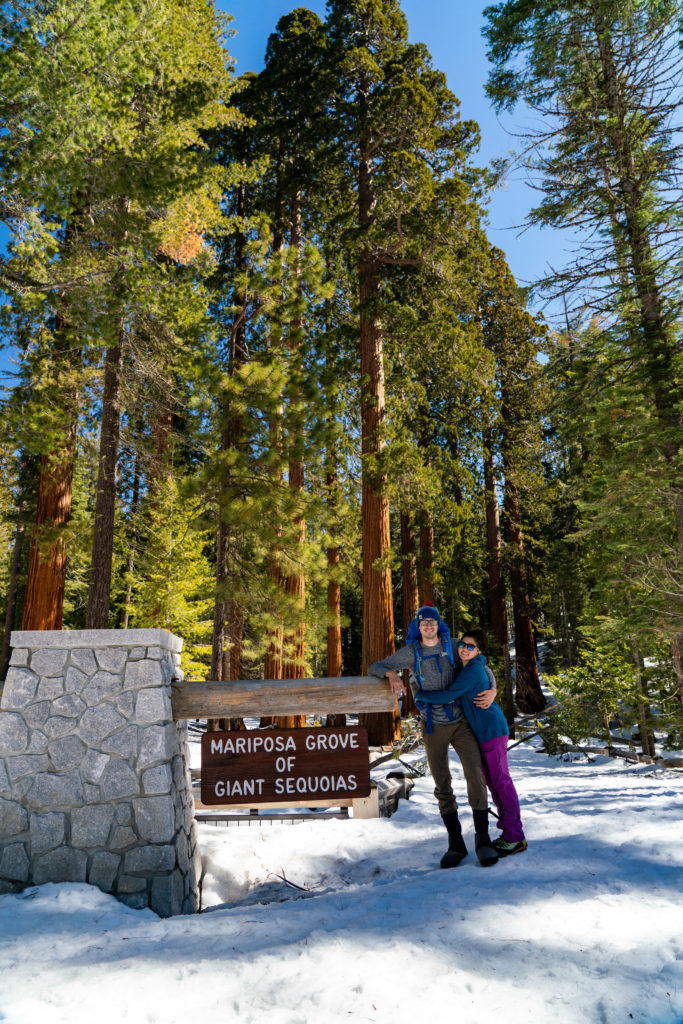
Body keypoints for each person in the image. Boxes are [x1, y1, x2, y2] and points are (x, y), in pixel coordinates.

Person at [367, 603, 500, 868]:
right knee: (442, 782)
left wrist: (493, 688)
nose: (428, 626)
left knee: (475, 773)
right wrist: (392, 674)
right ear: (418, 626)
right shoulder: (411, 652)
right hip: (432, 726)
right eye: (424, 622)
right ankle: (455, 843)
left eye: (433, 621)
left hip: (460, 721)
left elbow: (481, 664)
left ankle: (483, 840)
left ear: (439, 625)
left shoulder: (452, 644)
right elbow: (376, 666)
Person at [455, 627, 527, 857]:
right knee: (494, 783)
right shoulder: (461, 666)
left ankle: (516, 837)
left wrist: (493, 689)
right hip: (482, 733)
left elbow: (487, 671)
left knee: (501, 782)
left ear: (478, 651)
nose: (464, 649)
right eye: (462, 645)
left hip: (493, 730)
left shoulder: (478, 667)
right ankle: (508, 833)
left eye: (470, 646)